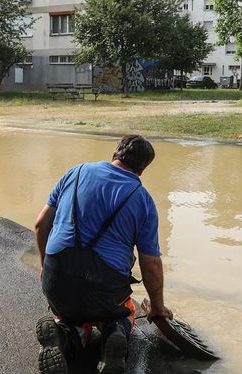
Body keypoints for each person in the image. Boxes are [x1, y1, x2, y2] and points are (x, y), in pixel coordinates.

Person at [33, 135, 172, 374]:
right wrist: (158, 308)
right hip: (104, 288)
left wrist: (46, 268)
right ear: (143, 169)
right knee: (126, 311)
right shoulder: (143, 200)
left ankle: (64, 335)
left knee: (68, 316)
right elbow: (151, 265)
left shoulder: (75, 173)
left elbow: (40, 225)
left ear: (115, 153)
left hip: (58, 279)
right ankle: (114, 333)